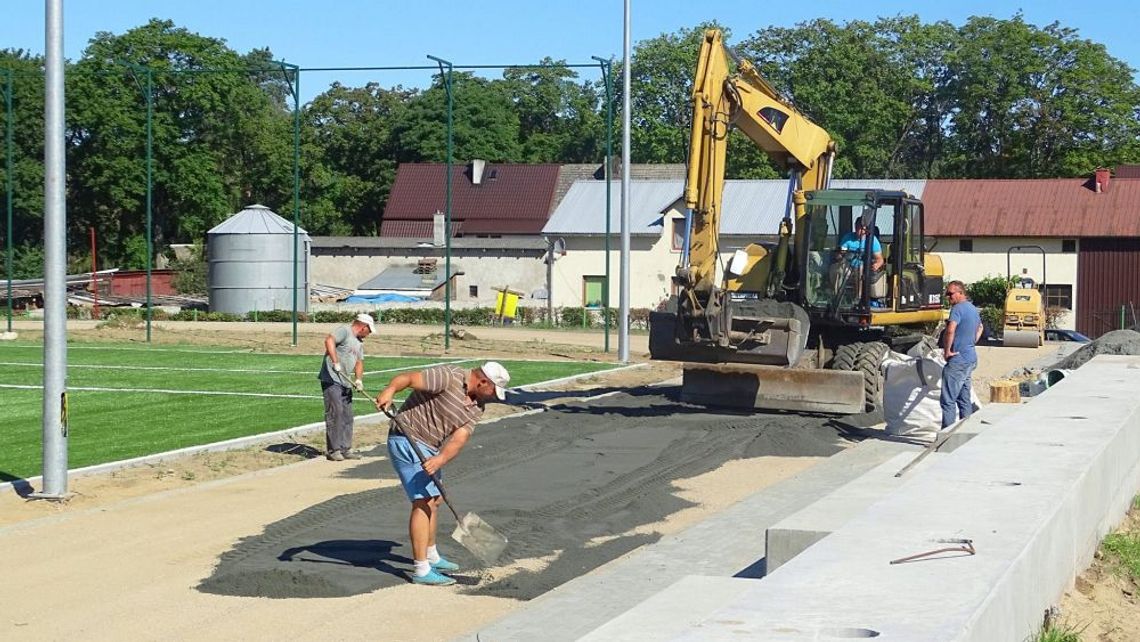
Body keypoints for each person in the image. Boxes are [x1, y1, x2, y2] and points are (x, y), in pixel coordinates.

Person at [375, 361, 511, 586]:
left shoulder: (477, 407)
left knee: (435, 499)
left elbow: (460, 438)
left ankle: (431, 556)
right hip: (406, 437)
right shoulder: (450, 377)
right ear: (483, 381)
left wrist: (440, 459)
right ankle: (421, 570)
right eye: (493, 391)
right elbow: (408, 378)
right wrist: (390, 390)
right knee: (423, 501)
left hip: (430, 448)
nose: (494, 397)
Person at [317, 313, 374, 461]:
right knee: (335, 413)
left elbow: (359, 362)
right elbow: (329, 340)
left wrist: (359, 380)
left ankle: (345, 448)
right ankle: (334, 450)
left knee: (347, 416)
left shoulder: (359, 342)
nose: (369, 334)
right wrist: (335, 361)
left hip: (346, 381)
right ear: (363, 326)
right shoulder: (345, 331)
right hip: (332, 378)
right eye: (369, 330)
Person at [940, 281, 983, 428]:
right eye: (947, 294)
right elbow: (980, 328)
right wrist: (971, 343)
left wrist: (947, 351)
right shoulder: (972, 309)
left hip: (958, 360)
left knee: (948, 400)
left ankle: (947, 435)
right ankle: (966, 431)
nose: (948, 297)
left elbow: (950, 329)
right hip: (970, 358)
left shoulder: (957, 308)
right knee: (964, 399)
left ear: (960, 293)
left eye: (950, 294)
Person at [832, 218, 885, 300]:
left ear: (866, 229)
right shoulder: (848, 238)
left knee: (860, 270)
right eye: (857, 227)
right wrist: (840, 255)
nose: (858, 229)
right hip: (849, 265)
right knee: (838, 270)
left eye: (860, 227)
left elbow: (880, 259)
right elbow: (840, 254)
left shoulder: (872, 240)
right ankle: (837, 297)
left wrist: (877, 265)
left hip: (863, 267)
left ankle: (858, 298)